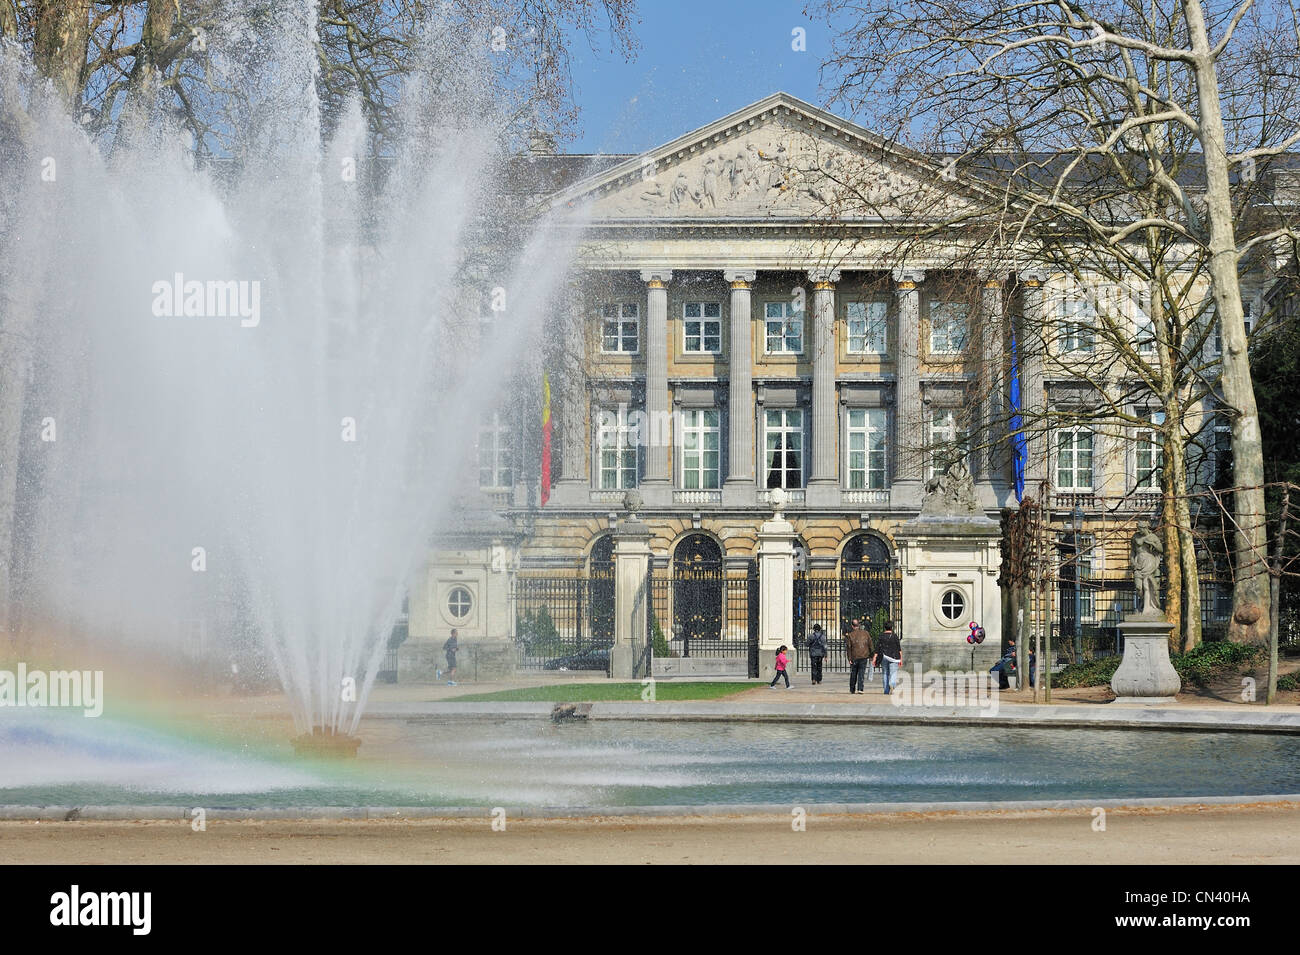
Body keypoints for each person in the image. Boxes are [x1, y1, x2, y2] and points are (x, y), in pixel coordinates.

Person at [845, 619, 874, 694]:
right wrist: (872, 654)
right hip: (864, 655)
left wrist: (849, 658)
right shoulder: (866, 633)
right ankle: (860, 688)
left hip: (854, 656)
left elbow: (849, 648)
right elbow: (870, 644)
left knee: (853, 673)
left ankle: (852, 688)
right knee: (861, 673)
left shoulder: (850, 635)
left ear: (852, 626)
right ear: (859, 625)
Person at [873, 622, 902, 695]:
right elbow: (899, 648)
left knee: (885, 673)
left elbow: (877, 648)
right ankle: (892, 683)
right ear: (891, 627)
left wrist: (874, 657)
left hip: (884, 656)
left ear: (885, 627)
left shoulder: (881, 636)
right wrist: (901, 658)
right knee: (893, 672)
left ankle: (886, 690)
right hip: (894, 657)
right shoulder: (895, 636)